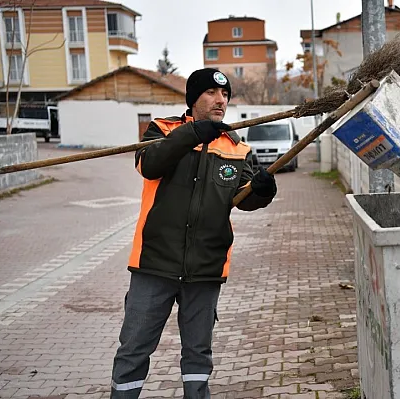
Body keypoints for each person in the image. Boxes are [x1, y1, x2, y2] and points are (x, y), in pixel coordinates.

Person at [110, 68, 277, 398]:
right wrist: (192, 135)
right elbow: (149, 165)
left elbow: (243, 199)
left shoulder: (237, 147)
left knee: (198, 354)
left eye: (225, 95)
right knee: (133, 349)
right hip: (154, 264)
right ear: (193, 98)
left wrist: (263, 191)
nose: (221, 100)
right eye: (212, 94)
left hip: (206, 267)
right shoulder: (162, 129)